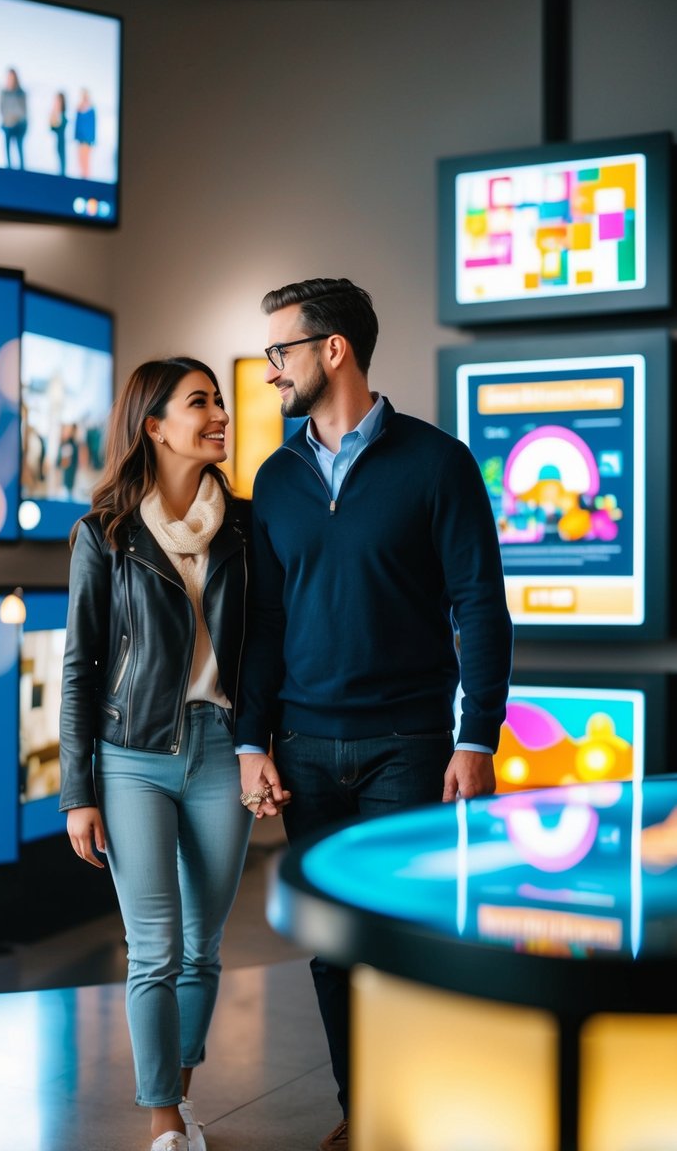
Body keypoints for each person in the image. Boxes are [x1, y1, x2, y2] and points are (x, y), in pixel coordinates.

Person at [234, 277, 513, 1151]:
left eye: (281, 349)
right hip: (306, 747)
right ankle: (366, 1115)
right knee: (332, 947)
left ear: (332, 349)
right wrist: (252, 741)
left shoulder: (438, 462)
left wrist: (476, 737)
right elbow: (265, 622)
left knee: (404, 936)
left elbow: (480, 605)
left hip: (412, 745)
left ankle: (420, 1107)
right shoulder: (273, 479)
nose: (271, 367)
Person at [60, 357, 255, 1151]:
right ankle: (164, 1123)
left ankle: (176, 1083)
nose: (220, 415)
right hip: (131, 754)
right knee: (155, 947)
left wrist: (257, 744)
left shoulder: (245, 526)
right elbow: (81, 664)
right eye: (200, 402)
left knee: (202, 950)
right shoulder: (102, 532)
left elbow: (264, 645)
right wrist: (78, 789)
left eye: (219, 401)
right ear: (154, 424)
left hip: (219, 748)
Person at [0, 68, 27, 170]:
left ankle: (22, 169)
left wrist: (16, 120)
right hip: (7, 125)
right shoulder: (4, 92)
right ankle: (8, 168)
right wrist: (6, 120)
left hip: (18, 125)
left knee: (19, 147)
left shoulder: (20, 93)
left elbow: (23, 111)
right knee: (7, 148)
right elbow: (1, 108)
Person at [74, 87, 96, 178]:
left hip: (86, 141)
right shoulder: (79, 108)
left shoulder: (91, 110)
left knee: (85, 162)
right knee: (80, 161)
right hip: (80, 139)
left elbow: (92, 126)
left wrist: (90, 140)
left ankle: (86, 179)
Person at [49, 91, 68, 175]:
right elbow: (52, 127)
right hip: (56, 140)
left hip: (62, 140)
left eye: (58, 100)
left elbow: (59, 127)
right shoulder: (54, 113)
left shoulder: (63, 114)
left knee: (62, 158)